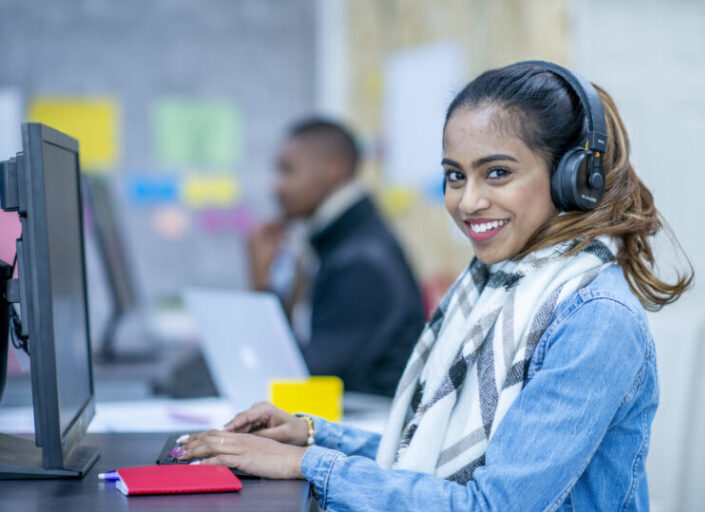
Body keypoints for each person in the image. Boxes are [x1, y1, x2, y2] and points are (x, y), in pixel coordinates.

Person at [174, 61, 693, 510]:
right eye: (455, 175)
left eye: (496, 173)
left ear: (573, 178)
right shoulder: (491, 287)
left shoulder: (593, 318)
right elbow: (432, 450)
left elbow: (490, 505)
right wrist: (312, 434)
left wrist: (307, 465)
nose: (467, 203)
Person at [248, 118, 425, 397]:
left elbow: (304, 377)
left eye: (288, 171)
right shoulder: (338, 240)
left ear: (333, 170)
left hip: (369, 424)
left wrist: (262, 286)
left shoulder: (360, 260)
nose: (276, 186)